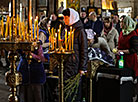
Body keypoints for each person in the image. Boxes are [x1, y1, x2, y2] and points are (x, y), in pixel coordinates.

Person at [62, 8, 88, 102]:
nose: (65, 20)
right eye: (64, 18)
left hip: (75, 64)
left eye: (67, 18)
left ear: (72, 17)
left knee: (74, 90)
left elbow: (84, 50)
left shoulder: (80, 31)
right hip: (66, 63)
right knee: (66, 88)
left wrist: (82, 68)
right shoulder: (67, 29)